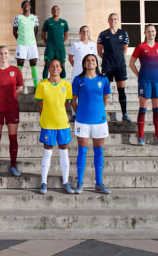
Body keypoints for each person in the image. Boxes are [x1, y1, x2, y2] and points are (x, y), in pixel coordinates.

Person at [71, 54, 112, 194]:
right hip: (82, 120)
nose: (90, 62)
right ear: (83, 64)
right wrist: (80, 113)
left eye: (93, 60)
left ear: (96, 63)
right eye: (88, 60)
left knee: (98, 151)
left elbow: (105, 99)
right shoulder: (78, 80)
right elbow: (73, 101)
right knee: (82, 151)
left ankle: (99, 183)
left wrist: (98, 110)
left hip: (99, 120)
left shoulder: (103, 79)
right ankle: (80, 182)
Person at [34, 60, 73, 194]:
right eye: (52, 66)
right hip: (48, 124)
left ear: (61, 69)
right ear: (48, 69)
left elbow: (66, 103)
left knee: (64, 153)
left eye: (57, 66)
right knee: (47, 153)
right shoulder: (42, 85)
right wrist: (46, 116)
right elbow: (40, 104)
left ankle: (66, 182)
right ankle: (44, 182)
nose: (55, 68)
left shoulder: (66, 85)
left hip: (62, 123)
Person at [0, 46, 24, 176]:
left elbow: (20, 87)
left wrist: (11, 94)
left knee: (12, 138)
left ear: (9, 55)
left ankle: (13, 165)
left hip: (11, 108)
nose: (3, 55)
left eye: (6, 53)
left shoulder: (15, 70)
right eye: (1, 53)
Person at [129, 24, 158, 146]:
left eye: (153, 31)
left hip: (157, 81)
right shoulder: (141, 46)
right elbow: (131, 63)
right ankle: (140, 137)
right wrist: (139, 75)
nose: (151, 33)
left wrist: (156, 69)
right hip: (144, 81)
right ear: (144, 33)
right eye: (148, 31)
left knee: (157, 110)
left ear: (155, 33)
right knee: (143, 109)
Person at [97, 13, 131, 122]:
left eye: (115, 19)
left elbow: (124, 49)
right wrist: (107, 59)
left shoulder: (123, 33)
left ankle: (124, 114)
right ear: (108, 20)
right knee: (105, 89)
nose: (113, 21)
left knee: (121, 89)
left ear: (118, 20)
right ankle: (101, 113)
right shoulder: (103, 34)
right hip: (108, 65)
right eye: (111, 19)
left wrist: (119, 58)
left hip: (120, 65)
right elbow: (99, 51)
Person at [68, 25, 97, 120]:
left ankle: (85, 112)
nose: (85, 33)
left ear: (89, 33)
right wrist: (77, 66)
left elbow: (94, 59)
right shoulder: (75, 44)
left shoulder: (93, 45)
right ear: (80, 33)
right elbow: (70, 58)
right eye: (83, 31)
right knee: (75, 92)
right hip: (77, 72)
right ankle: (74, 113)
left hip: (89, 73)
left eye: (87, 31)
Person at [13, 0, 40, 89]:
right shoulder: (18, 17)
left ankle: (36, 85)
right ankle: (18, 83)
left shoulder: (34, 17)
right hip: (21, 44)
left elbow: (36, 30)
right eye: (24, 5)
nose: (26, 7)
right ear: (22, 7)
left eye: (28, 5)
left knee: (33, 63)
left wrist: (31, 38)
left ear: (30, 7)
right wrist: (20, 40)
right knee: (20, 63)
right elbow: (14, 32)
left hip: (32, 44)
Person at [41, 5, 69, 79]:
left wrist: (60, 43)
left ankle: (63, 82)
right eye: (53, 9)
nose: (55, 11)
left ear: (59, 11)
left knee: (62, 65)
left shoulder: (64, 22)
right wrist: (48, 43)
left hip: (60, 48)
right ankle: (44, 82)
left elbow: (66, 35)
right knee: (47, 64)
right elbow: (43, 34)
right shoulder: (48, 22)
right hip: (50, 48)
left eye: (57, 9)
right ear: (51, 11)